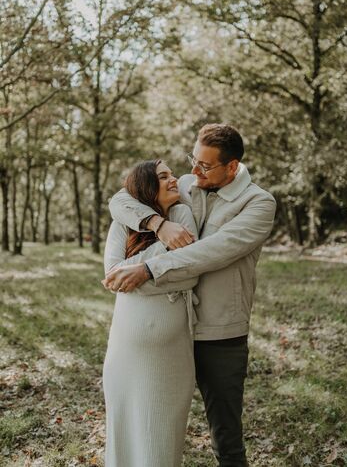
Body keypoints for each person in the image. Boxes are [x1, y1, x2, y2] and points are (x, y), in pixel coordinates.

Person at [104, 123, 276, 467]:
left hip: (220, 333)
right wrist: (157, 224)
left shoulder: (259, 203)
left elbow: (210, 252)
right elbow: (121, 199)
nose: (193, 171)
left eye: (205, 165)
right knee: (155, 425)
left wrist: (149, 269)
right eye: (192, 160)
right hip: (172, 331)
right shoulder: (186, 183)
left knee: (226, 438)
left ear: (232, 166)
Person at [102, 159, 199, 467]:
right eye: (163, 176)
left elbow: (190, 272)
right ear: (146, 186)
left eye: (171, 174)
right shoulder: (122, 223)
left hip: (168, 357)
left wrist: (140, 273)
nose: (174, 180)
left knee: (160, 445)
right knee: (122, 440)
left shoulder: (183, 213)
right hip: (123, 352)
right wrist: (160, 254)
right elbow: (113, 276)